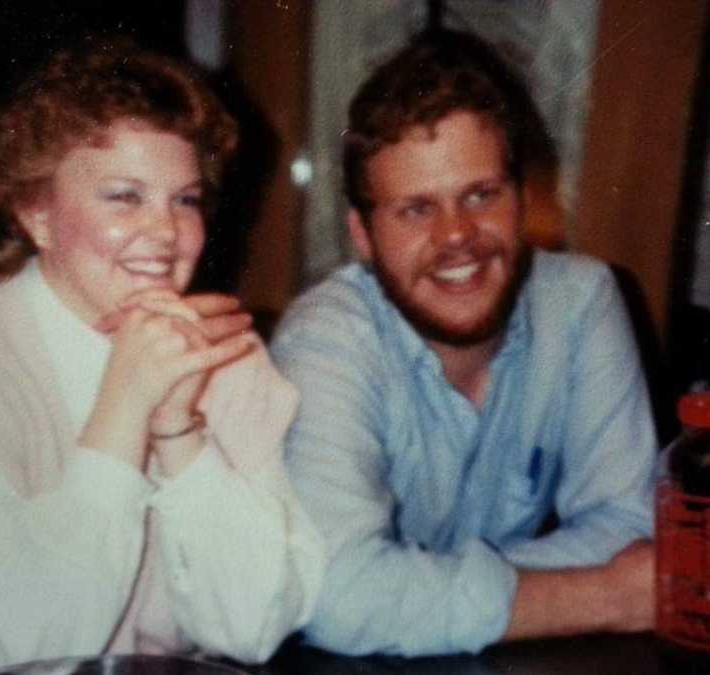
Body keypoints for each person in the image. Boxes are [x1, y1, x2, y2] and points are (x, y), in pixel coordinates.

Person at [0, 36, 325, 674]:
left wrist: (177, 429)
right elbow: (34, 647)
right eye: (124, 196)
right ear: (37, 215)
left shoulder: (223, 358)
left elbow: (252, 627)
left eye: (184, 199)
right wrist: (127, 400)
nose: (165, 232)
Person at [270, 28, 656, 658]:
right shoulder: (324, 343)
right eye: (416, 210)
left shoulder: (584, 303)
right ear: (362, 237)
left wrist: (410, 588)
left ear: (523, 200)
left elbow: (629, 528)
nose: (458, 238)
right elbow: (335, 596)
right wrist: (606, 596)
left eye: (481, 195)